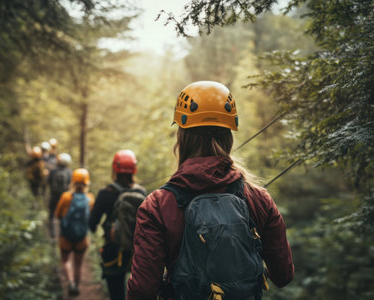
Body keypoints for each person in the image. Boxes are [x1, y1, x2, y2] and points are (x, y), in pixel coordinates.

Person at [126, 81, 294, 299]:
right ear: (229, 138)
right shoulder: (258, 199)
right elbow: (283, 275)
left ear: (181, 137)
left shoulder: (157, 205)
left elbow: (142, 290)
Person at [89, 150, 147, 300]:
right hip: (138, 251)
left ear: (114, 169)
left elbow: (92, 222)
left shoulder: (105, 193)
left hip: (113, 249)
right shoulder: (142, 192)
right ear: (134, 169)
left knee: (116, 293)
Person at [55, 168, 95, 296]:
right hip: (82, 239)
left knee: (66, 261)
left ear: (72, 181)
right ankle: (77, 286)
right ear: (87, 183)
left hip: (65, 237)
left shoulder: (66, 197)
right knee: (78, 264)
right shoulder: (90, 198)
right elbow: (91, 218)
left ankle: (71, 283)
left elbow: (57, 215)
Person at [47, 153, 72, 238]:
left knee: (51, 213)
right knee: (63, 214)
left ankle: (52, 233)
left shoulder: (53, 171)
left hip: (54, 196)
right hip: (64, 198)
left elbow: (48, 182)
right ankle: (62, 233)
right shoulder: (69, 172)